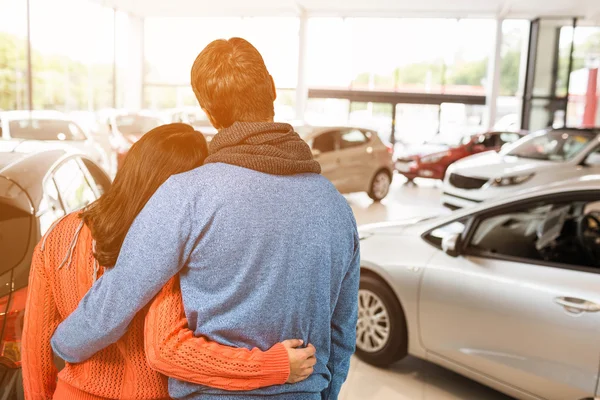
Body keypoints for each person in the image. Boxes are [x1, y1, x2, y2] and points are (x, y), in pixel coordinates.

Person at [51, 38, 359, 400]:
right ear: (272, 88)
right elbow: (341, 333)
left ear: (208, 110)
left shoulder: (187, 195)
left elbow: (119, 295)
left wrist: (63, 347)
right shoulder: (336, 207)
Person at [22, 123, 316, 400]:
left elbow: (34, 351)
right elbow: (171, 351)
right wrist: (271, 366)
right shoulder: (170, 249)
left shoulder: (60, 234)